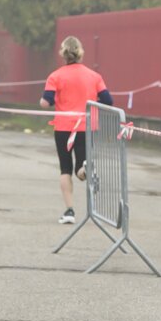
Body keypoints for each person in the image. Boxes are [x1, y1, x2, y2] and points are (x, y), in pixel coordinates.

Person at [39, 35, 114, 224]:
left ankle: (69, 211)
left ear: (63, 53)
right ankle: (86, 169)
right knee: (80, 167)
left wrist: (50, 100)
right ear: (81, 52)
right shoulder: (94, 76)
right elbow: (108, 100)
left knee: (65, 168)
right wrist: (90, 100)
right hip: (87, 126)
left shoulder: (55, 76)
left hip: (64, 127)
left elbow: (45, 102)